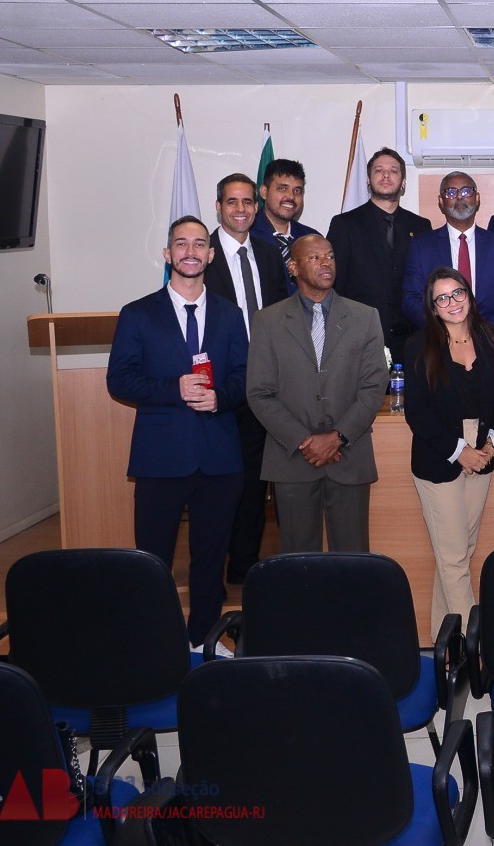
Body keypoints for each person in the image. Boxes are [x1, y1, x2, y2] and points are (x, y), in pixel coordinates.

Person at [107, 216, 247, 651]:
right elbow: (120, 380)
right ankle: (155, 644)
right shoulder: (137, 313)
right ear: (167, 254)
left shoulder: (230, 314)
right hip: (160, 457)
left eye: (199, 244)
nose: (190, 251)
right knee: (153, 561)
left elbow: (245, 377)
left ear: (210, 254)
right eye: (181, 244)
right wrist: (174, 388)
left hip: (219, 458)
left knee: (210, 560)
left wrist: (220, 398)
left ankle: (203, 641)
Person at [246, 235, 388, 553]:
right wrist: (305, 441)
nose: (326, 263)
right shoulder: (267, 321)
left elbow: (373, 386)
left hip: (349, 455)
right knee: (299, 560)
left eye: (330, 256)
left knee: (352, 559)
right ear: (293, 267)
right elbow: (259, 392)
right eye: (315, 257)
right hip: (293, 458)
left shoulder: (365, 317)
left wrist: (337, 437)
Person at [402, 267, 494, 625]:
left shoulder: (491, 338)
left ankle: (443, 640)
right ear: (433, 308)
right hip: (439, 456)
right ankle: (473, 648)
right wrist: (460, 451)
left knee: (458, 552)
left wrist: (490, 445)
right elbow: (418, 413)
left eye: (458, 293)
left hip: (482, 453)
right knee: (454, 558)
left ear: (469, 295)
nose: (452, 302)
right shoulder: (419, 345)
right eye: (442, 298)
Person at [202, 173, 288, 583]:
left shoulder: (269, 255)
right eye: (232, 202)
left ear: (257, 206)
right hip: (219, 386)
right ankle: (209, 572)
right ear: (218, 207)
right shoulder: (202, 254)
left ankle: (243, 567)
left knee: (254, 482)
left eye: (248, 202)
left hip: (264, 384)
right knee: (219, 484)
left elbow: (282, 317)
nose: (241, 209)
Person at [328, 147, 430, 345]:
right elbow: (335, 283)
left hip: (411, 339)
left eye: (393, 171)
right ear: (368, 180)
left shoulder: (421, 226)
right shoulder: (345, 224)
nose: (386, 175)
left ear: (403, 182)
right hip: (360, 336)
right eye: (378, 170)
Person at [401, 172, 494, 331]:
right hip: (439, 338)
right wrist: (442, 330)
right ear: (441, 201)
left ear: (477, 198)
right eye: (451, 192)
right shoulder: (421, 246)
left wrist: (486, 332)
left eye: (466, 191)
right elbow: (411, 299)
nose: (459, 197)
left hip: (489, 337)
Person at [249, 158, 319, 293]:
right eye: (282, 188)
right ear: (264, 192)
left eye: (297, 191)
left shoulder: (312, 238)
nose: (291, 197)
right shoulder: (247, 235)